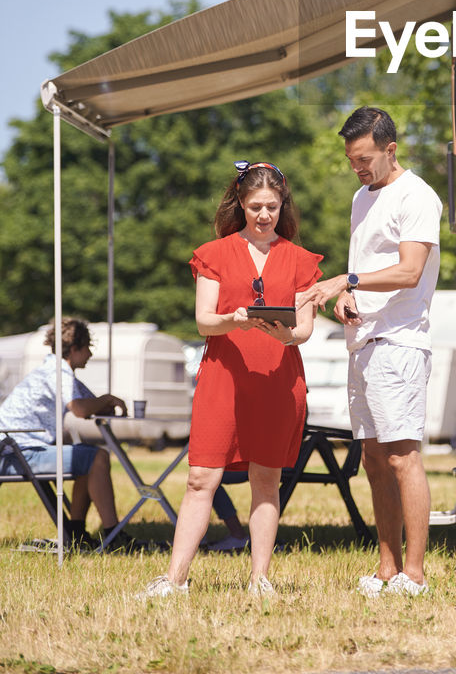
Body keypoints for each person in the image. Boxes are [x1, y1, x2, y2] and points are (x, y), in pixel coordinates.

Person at [138, 161, 322, 599]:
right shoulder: (214, 253)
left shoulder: (300, 259)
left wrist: (285, 332)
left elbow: (304, 330)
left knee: (266, 480)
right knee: (201, 477)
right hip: (223, 379)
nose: (264, 215)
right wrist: (232, 320)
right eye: (256, 206)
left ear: (283, 206)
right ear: (240, 203)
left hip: (278, 379)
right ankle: (175, 580)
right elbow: (204, 322)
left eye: (272, 207)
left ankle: (260, 580)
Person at [302, 107, 442, 597]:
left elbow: (408, 271)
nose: (358, 168)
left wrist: (348, 279)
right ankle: (387, 568)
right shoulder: (363, 198)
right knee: (373, 459)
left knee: (403, 457)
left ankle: (416, 574)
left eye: (364, 159)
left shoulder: (418, 196)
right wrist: (347, 296)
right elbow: (362, 265)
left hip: (400, 341)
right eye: (351, 160)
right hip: (363, 342)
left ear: (390, 149)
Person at [0, 317, 127, 549]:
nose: (90, 354)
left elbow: (91, 403)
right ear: (75, 349)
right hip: (12, 454)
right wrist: (108, 399)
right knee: (96, 457)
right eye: (88, 348)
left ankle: (76, 532)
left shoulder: (58, 370)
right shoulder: (57, 372)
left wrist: (104, 402)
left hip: (19, 449)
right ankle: (113, 534)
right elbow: (80, 409)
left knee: (86, 457)